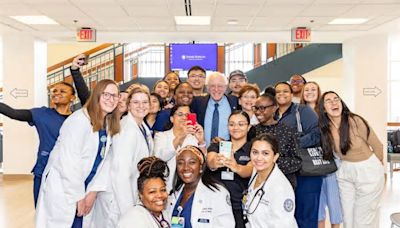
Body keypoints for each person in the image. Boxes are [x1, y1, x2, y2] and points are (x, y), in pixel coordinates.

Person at [0, 54, 89, 207]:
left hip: (71, 173)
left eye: (62, 91)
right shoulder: (41, 114)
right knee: (42, 211)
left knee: (68, 214)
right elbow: (13, 113)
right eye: (54, 91)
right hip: (44, 171)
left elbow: (87, 99)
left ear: (73, 98)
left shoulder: (80, 118)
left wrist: (75, 71)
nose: (56, 93)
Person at [35, 79, 121, 227]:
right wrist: (77, 196)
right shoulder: (78, 120)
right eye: (106, 94)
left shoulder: (107, 124)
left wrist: (93, 192)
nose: (111, 99)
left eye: (115, 95)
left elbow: (104, 161)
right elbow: (68, 162)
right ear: (96, 96)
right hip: (65, 189)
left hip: (86, 188)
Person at [318, 91, 384, 228]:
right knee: (347, 218)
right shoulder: (325, 128)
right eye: (328, 100)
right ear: (323, 108)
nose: (334, 102)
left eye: (336, 99)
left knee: (363, 220)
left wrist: (377, 169)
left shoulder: (355, 120)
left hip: (367, 170)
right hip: (345, 172)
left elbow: (377, 145)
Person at [92, 85, 154, 228]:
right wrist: (128, 211)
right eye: (136, 102)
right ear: (128, 105)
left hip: (132, 191)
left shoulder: (142, 127)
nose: (141, 106)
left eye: (145, 102)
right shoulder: (126, 130)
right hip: (118, 197)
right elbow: (120, 174)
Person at [274, 81, 322, 228]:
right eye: (278, 92)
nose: (281, 94)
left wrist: (292, 145)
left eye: (285, 91)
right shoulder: (273, 114)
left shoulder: (302, 111)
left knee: (306, 215)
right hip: (284, 172)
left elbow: (317, 134)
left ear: (292, 94)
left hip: (306, 172)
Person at [301, 82, 343, 228]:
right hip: (310, 162)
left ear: (319, 92)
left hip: (329, 158)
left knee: (334, 198)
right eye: (306, 89)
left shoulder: (325, 110)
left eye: (313, 89)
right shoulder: (298, 111)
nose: (310, 92)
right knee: (317, 201)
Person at [166, 145, 235, 228]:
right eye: (180, 163)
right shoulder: (173, 195)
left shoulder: (217, 193)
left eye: (192, 162)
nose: (186, 168)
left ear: (201, 167)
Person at [206, 110, 252, 228]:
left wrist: (236, 167)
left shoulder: (253, 148)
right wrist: (215, 162)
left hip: (240, 205)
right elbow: (210, 160)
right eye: (232, 124)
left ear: (248, 127)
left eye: (241, 124)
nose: (236, 127)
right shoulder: (218, 145)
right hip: (216, 205)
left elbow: (249, 170)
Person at [247, 93, 301, 188]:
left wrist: (269, 165)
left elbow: (297, 161)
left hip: (282, 184)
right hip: (258, 183)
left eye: (263, 108)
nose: (258, 112)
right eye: (256, 108)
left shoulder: (287, 130)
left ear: (275, 108)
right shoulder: (253, 130)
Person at [244, 134, 297, 228]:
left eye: (265, 153)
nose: (259, 158)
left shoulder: (280, 189)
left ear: (275, 157)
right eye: (255, 152)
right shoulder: (256, 171)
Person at [154, 105, 206, 190]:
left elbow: (203, 162)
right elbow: (160, 158)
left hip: (190, 185)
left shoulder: (193, 137)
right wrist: (180, 136)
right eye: (180, 114)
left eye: (187, 115)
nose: (184, 118)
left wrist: (201, 141)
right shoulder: (161, 136)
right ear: (171, 118)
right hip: (167, 185)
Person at [118, 156, 170, 228]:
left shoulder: (163, 215)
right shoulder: (133, 220)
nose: (159, 195)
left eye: (163, 190)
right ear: (140, 194)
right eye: (152, 192)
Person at [191, 72, 239, 146]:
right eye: (212, 86)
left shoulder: (235, 102)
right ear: (207, 87)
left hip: (228, 152)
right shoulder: (198, 102)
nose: (216, 89)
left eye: (220, 86)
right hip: (203, 150)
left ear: (225, 87)